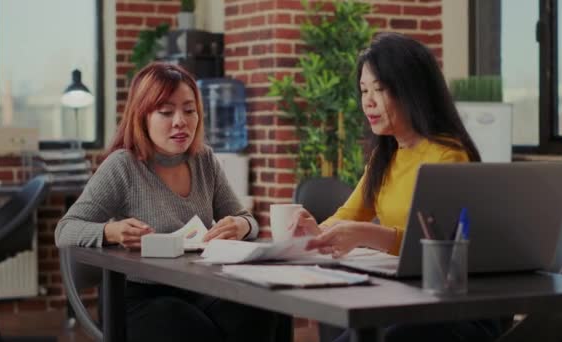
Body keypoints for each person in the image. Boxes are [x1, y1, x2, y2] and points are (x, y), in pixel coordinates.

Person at [290, 33, 508, 342]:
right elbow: (349, 214)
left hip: (451, 309)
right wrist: (313, 233)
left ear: (412, 91)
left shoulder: (448, 155)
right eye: (364, 90)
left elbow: (438, 249)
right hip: (406, 297)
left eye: (380, 89)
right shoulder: (386, 155)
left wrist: (365, 235)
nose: (368, 101)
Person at [55, 62, 276, 342]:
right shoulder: (122, 166)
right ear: (143, 116)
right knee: (183, 324)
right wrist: (111, 231)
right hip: (139, 298)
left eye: (189, 110)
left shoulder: (204, 160)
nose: (180, 121)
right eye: (166, 112)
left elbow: (247, 219)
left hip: (199, 288)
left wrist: (240, 225)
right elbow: (65, 230)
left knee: (262, 309)